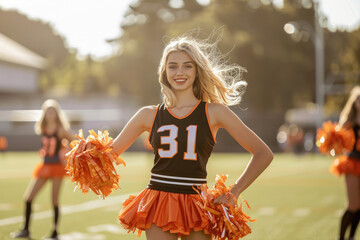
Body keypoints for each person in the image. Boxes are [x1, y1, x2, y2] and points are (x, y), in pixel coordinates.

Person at [103, 34, 273, 239]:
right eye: (173, 66)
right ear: (164, 71)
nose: (179, 72)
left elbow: (263, 153)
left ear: (197, 71)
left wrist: (235, 191)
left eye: (187, 66)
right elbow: (109, 154)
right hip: (159, 200)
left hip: (197, 203)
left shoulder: (214, 112)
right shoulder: (148, 115)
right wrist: (83, 152)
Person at [11, 99, 73, 240]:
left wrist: (67, 152)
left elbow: (73, 141)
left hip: (57, 167)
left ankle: (55, 232)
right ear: (44, 113)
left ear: (57, 113)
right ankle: (26, 229)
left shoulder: (61, 130)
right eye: (47, 110)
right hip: (45, 166)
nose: (50, 113)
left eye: (53, 110)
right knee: (28, 198)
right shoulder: (43, 128)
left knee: (54, 201)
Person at [332, 86, 360, 240]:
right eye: (358, 98)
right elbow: (338, 136)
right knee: (353, 205)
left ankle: (352, 236)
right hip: (353, 161)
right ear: (354, 101)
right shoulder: (349, 119)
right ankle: (341, 237)